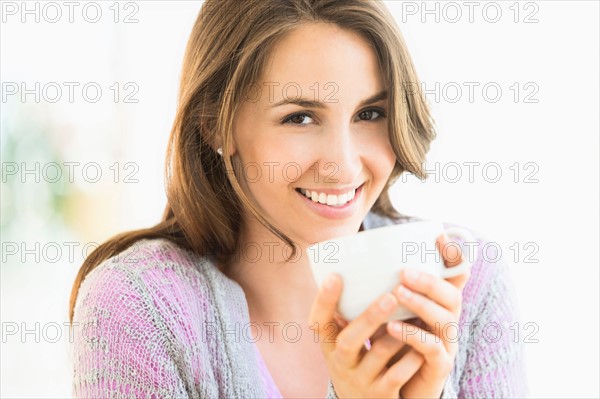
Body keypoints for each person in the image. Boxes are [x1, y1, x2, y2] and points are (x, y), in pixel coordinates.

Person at [68, 1, 528, 398]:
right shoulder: (140, 308)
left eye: (370, 113)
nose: (345, 166)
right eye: (300, 118)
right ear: (215, 123)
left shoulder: (470, 283)